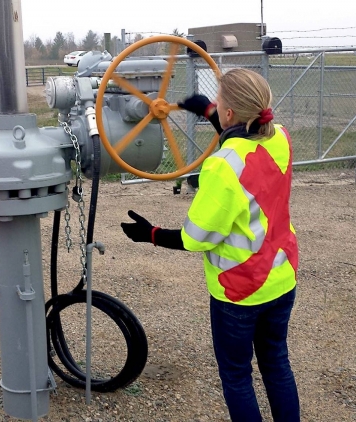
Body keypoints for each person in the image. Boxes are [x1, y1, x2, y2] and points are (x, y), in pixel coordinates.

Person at [121, 68, 300, 422]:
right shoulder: (280, 137)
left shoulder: (220, 168)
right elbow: (244, 147)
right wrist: (208, 112)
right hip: (282, 278)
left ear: (230, 114)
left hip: (240, 291)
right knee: (276, 363)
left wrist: (152, 234)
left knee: (237, 376)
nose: (215, 106)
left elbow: (194, 238)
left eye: (219, 104)